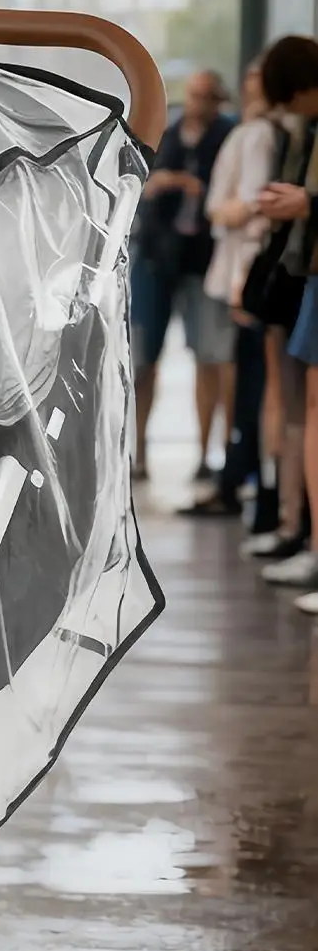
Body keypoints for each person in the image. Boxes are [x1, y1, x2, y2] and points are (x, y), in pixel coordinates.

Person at [182, 61, 281, 518]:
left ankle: (247, 486)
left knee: (252, 387)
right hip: (235, 273)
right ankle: (237, 478)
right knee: (242, 383)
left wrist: (222, 212)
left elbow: (251, 207)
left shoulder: (258, 135)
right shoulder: (250, 132)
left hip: (244, 275)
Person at [131, 69, 235, 481]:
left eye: (206, 96)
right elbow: (136, 180)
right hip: (158, 256)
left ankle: (208, 452)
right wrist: (165, 181)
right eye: (193, 95)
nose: (197, 103)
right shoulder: (166, 132)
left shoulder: (227, 138)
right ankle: (138, 453)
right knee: (144, 359)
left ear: (217, 100)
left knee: (209, 357)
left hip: (203, 259)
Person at [249, 34, 318, 595]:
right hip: (302, 275)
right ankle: (296, 527)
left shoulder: (302, 129)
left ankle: (302, 532)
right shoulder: (300, 131)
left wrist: (306, 204)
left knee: (305, 406)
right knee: (297, 402)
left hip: (305, 275)